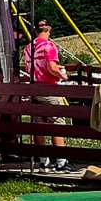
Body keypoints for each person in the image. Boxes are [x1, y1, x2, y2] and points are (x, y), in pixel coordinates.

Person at [22, 19, 73, 171]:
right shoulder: (49, 46)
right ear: (49, 30)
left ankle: (43, 161)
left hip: (34, 89)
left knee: (39, 125)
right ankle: (61, 161)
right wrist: (62, 75)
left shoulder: (28, 48)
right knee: (57, 123)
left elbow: (29, 68)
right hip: (49, 89)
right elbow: (51, 67)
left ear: (36, 31)